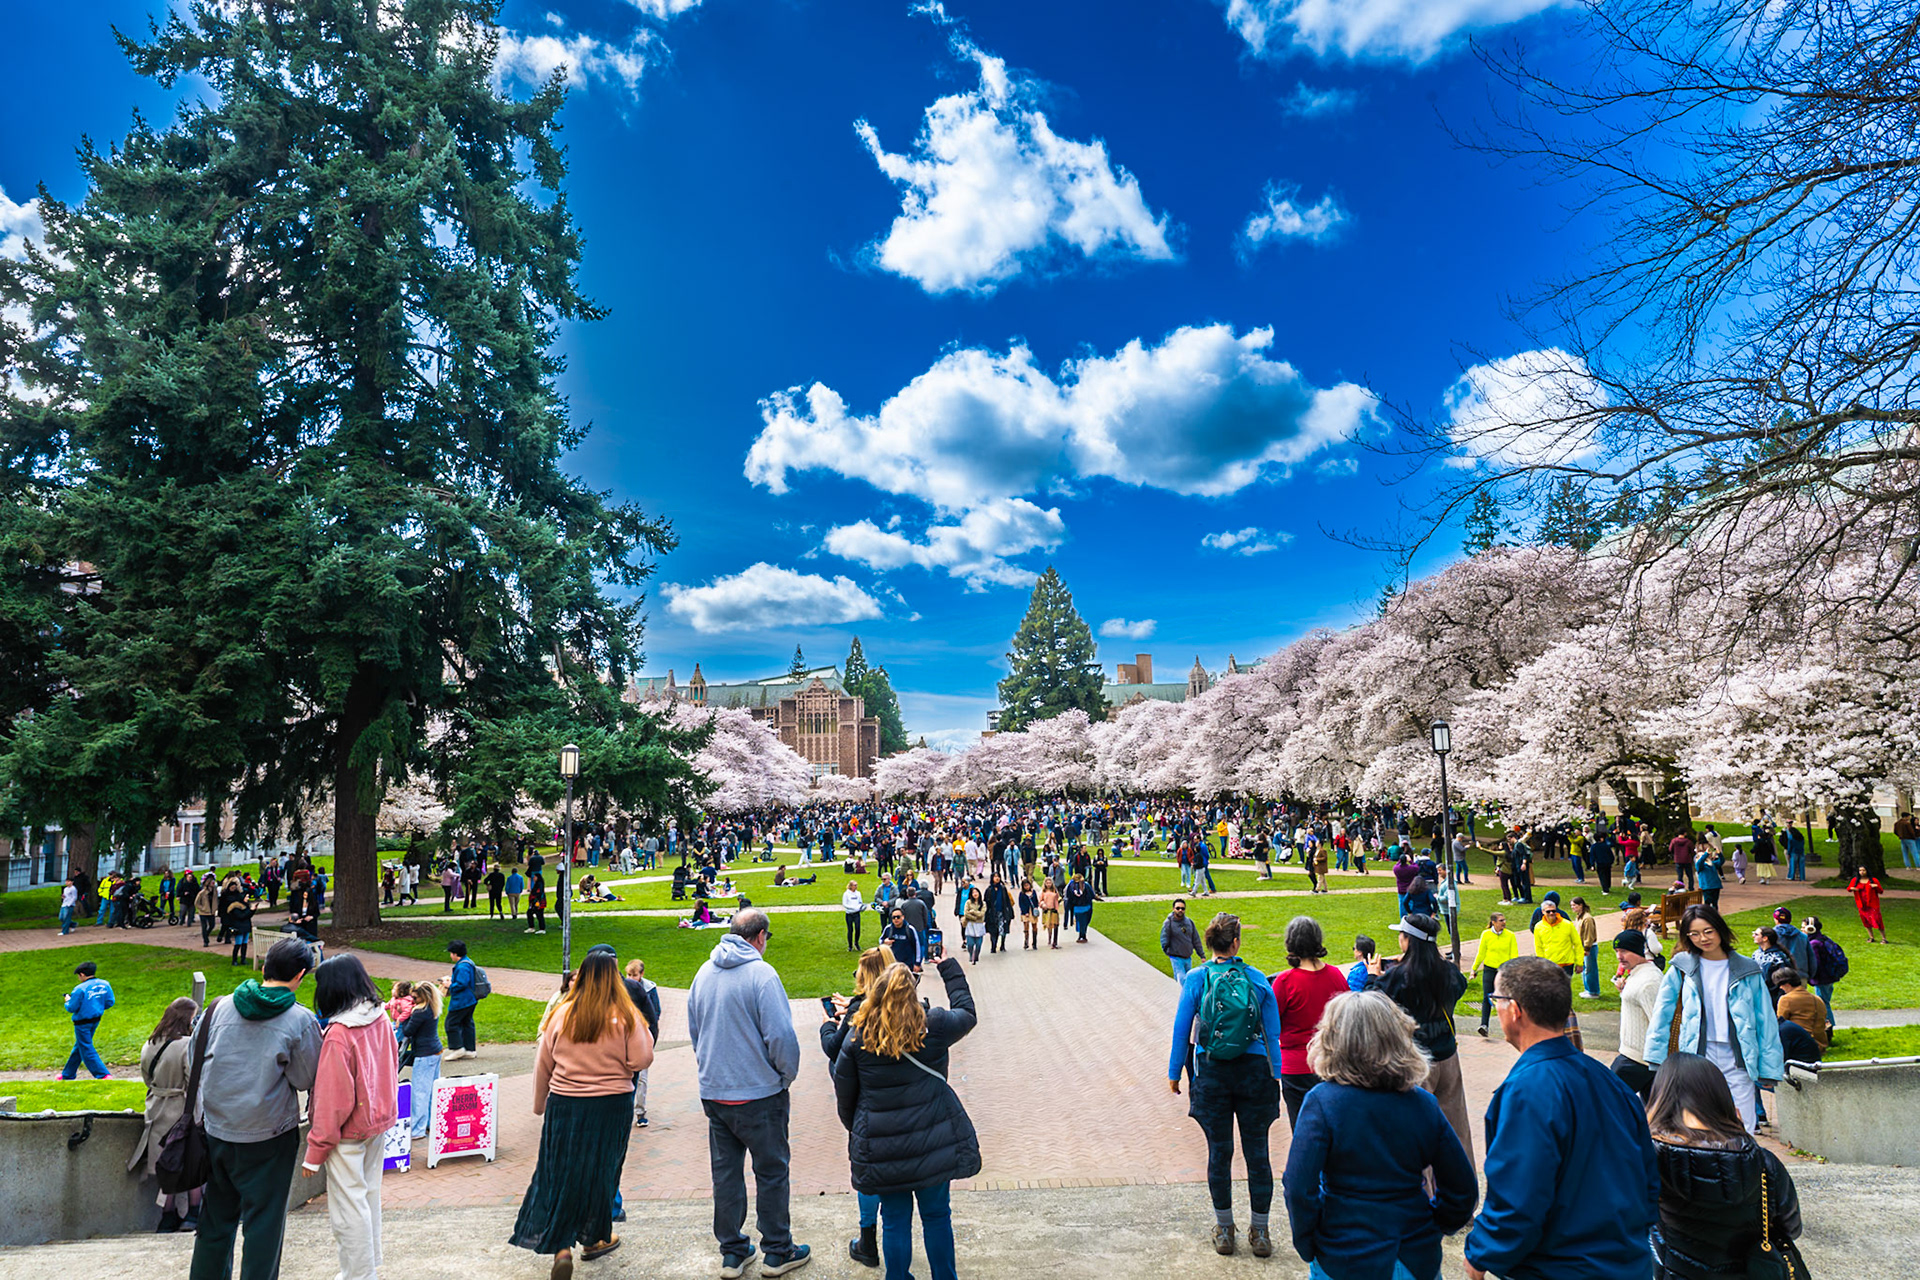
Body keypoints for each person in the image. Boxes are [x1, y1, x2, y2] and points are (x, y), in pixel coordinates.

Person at [1466, 956, 1659, 1280]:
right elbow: (1648, 1178)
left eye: (1496, 1000)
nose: (1496, 1008)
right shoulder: (1610, 1081)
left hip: (1560, 1267)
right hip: (1626, 1262)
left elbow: (1517, 1198)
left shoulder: (1527, 1091)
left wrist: (1480, 1253)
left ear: (1514, 1010)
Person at [1282, 992, 1477, 1280]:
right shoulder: (1422, 1104)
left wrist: (1308, 1242)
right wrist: (1434, 1224)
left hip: (1343, 1253)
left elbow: (1298, 1187)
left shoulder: (1322, 1103)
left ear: (1333, 1041)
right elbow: (1462, 1188)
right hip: (1413, 1253)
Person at [508, 949, 654, 1279]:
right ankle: (594, 1238)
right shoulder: (625, 1016)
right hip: (611, 1106)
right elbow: (642, 1059)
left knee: (557, 1172)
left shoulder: (562, 1014)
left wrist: (539, 1104)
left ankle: (561, 1246)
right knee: (601, 1173)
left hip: (565, 1104)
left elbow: (543, 1063)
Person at [832, 957, 980, 1280]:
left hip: (884, 1146)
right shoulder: (933, 1026)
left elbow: (845, 1095)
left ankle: (897, 1276)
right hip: (933, 1141)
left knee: (896, 1220)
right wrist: (949, 969)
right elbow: (968, 1014)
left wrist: (859, 1128)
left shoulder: (858, 1037)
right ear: (912, 995)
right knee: (938, 1216)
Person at [686, 909, 810, 1278]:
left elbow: (696, 1031)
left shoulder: (704, 973)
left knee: (726, 1174)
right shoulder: (762, 975)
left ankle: (733, 1251)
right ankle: (777, 1250)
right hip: (759, 1094)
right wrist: (785, 1076)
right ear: (759, 937)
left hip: (717, 1092)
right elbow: (782, 1038)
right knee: (771, 1171)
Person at [189, 938, 322, 1280]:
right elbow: (306, 1077)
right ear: (301, 975)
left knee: (214, 1223)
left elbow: (194, 1062)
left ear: (264, 967)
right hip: (270, 1136)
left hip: (216, 1130)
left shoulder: (217, 1008)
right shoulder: (300, 1020)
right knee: (264, 1226)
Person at [1167, 912, 1285, 1258]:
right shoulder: (1258, 979)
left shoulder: (1196, 978)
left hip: (1212, 1071)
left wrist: (1175, 1073)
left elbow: (1181, 1031)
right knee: (1258, 1154)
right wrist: (1275, 1072)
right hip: (1254, 1072)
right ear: (1236, 943)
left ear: (1208, 943)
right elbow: (1273, 1033)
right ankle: (1260, 1232)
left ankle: (1224, 1228)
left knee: (1220, 1152)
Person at [1646, 1053, 1804, 1280]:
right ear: (1720, 1097)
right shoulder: (1763, 1162)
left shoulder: (1647, 1158)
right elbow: (1791, 1227)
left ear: (1660, 1099)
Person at [1646, 905, 1785, 1133]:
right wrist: (1656, 1057)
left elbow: (1765, 1022)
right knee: (1697, 1124)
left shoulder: (1747, 969)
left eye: (1708, 931)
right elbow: (1662, 1015)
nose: (1703, 938)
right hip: (1697, 1055)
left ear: (1720, 929)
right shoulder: (1682, 967)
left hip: (1738, 1056)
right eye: (1695, 933)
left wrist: (1769, 1068)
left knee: (1744, 1125)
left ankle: (1743, 1166)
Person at [301, 955, 398, 1280]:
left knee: (348, 1207)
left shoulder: (339, 1034)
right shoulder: (381, 1017)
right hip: (377, 1122)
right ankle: (367, 1266)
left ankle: (358, 1274)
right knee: (369, 1194)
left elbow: (331, 1101)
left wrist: (314, 1154)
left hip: (347, 1132)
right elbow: (391, 1066)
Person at [1364, 915, 1473, 1166]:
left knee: (1417, 1130)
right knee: (1456, 1125)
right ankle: (1460, 1184)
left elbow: (1371, 1005)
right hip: (1447, 1057)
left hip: (1414, 1063)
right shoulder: (1447, 971)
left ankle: (1423, 1193)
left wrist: (1373, 976)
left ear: (1408, 940)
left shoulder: (1398, 977)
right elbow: (1460, 985)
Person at [820, 948, 890, 1268]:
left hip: (867, 1107)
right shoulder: (904, 1006)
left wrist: (828, 1025)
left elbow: (836, 1052)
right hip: (901, 1106)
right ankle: (884, 1239)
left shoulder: (861, 1012)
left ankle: (868, 1240)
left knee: (867, 1176)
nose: (855, 976)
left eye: (860, 971)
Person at [1270, 916, 1350, 1129]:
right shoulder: (1336, 976)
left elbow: (1270, 1025)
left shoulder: (1285, 982)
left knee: (1303, 1130)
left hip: (1296, 1068)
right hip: (1331, 1063)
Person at [131, 996, 202, 1232]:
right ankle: (193, 1213)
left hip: (155, 1110)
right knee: (191, 1162)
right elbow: (193, 1080)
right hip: (182, 1110)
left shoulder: (149, 1043)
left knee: (166, 1165)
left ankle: (168, 1216)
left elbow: (146, 1079)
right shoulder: (186, 1045)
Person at [1611, 928, 1662, 1100]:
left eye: (1624, 951)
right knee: (1653, 1113)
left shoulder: (1650, 981)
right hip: (1635, 1057)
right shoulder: (1637, 974)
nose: (1619, 956)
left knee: (1603, 1103)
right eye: (1617, 951)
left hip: (1638, 1060)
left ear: (1639, 950)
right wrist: (1623, 991)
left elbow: (1659, 1023)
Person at [399, 979, 444, 1139]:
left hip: (424, 1055)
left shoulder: (419, 1012)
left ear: (423, 997)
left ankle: (417, 1130)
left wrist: (402, 1018)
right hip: (436, 1051)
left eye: (415, 998)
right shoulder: (433, 1007)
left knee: (420, 1092)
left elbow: (409, 1031)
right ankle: (431, 1123)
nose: (412, 1000)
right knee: (432, 1091)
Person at [61, 959, 116, 1080]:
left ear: (82, 974)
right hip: (96, 1019)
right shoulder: (105, 984)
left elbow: (71, 1007)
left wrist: (68, 1000)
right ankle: (67, 1074)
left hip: (81, 1022)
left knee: (86, 1047)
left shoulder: (80, 989)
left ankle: (102, 1074)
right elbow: (110, 1002)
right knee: (80, 1045)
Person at [1473, 913, 1518, 1036]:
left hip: (1504, 970)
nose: (1504, 922)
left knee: (1505, 998)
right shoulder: (1486, 934)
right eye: (1501, 920)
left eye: (1504, 920)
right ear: (1493, 922)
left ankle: (1510, 1027)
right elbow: (1481, 953)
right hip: (1489, 969)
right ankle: (1484, 1025)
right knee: (1487, 996)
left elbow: (1514, 955)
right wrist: (1474, 969)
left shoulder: (1510, 935)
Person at [1773, 969, 1829, 1060]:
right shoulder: (1818, 999)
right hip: (1820, 1044)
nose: (1780, 988)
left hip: (1799, 1045)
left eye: (1780, 985)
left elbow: (1780, 1024)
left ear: (1787, 984)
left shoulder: (1786, 999)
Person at [1801, 915, 1844, 1030]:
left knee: (1823, 1004)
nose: (1801, 929)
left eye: (1804, 927)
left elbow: (1816, 964)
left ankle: (1828, 1028)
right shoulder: (1822, 939)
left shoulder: (1814, 943)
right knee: (1825, 1002)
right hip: (1829, 976)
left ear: (1811, 929)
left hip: (1822, 979)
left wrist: (1810, 977)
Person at [445, 941, 480, 1062]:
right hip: (471, 999)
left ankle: (457, 1048)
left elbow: (462, 983)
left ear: (455, 954)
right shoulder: (467, 962)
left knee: (451, 1023)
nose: (450, 956)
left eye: (451, 953)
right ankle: (470, 1050)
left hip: (462, 1000)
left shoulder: (462, 966)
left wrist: (450, 985)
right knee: (467, 1023)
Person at [1161, 898, 1203, 978]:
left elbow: (1195, 939)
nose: (1180, 910)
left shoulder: (1189, 922)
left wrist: (1201, 955)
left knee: (1187, 981)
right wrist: (1169, 952)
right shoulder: (1168, 923)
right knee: (1181, 981)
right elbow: (1164, 939)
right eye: (1178, 908)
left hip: (1187, 958)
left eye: (1182, 908)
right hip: (1176, 958)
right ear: (1173, 909)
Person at [1571, 897, 1602, 998]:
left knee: (1590, 969)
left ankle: (1593, 991)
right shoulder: (1580, 917)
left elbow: (1589, 935)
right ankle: (1588, 989)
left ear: (1581, 905)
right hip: (1582, 947)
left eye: (1574, 905)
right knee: (1585, 968)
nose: (1573, 907)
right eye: (1571, 906)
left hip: (1589, 947)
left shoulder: (1587, 918)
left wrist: (1587, 948)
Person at [1850, 869, 1888, 942]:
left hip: (1872, 904)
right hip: (1862, 904)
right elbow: (1849, 888)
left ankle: (1884, 938)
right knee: (1866, 920)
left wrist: (1876, 886)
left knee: (1877, 919)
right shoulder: (1855, 880)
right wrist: (1853, 888)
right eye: (1860, 870)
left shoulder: (1873, 880)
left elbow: (1881, 891)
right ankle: (1871, 937)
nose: (1862, 872)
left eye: (1863, 870)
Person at [1038, 879, 1063, 949]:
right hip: (1047, 910)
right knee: (1048, 925)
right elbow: (1040, 901)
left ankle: (1055, 942)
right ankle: (1049, 937)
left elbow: (1058, 898)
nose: (1048, 884)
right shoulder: (1043, 892)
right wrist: (1043, 905)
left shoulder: (1054, 891)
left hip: (1054, 910)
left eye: (1050, 883)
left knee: (1055, 925)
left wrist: (1058, 903)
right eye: (1047, 883)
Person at [842, 881, 865, 951]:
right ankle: (850, 945)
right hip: (849, 914)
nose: (856, 886)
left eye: (856, 885)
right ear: (850, 886)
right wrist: (853, 908)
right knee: (850, 930)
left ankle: (856, 943)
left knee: (857, 928)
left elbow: (860, 902)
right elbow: (845, 904)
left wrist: (861, 907)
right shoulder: (846, 894)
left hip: (856, 914)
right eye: (854, 885)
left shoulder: (858, 893)